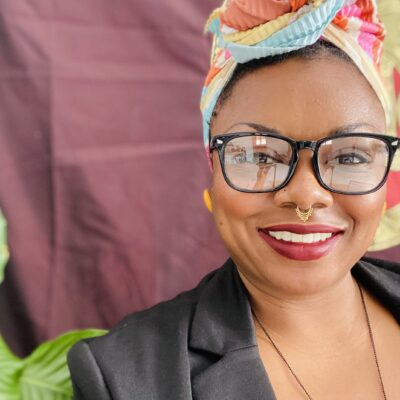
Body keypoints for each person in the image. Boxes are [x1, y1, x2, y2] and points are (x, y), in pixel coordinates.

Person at [67, 0, 400, 399]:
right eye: (259, 156)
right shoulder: (126, 376)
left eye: (348, 156)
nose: (306, 195)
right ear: (212, 173)